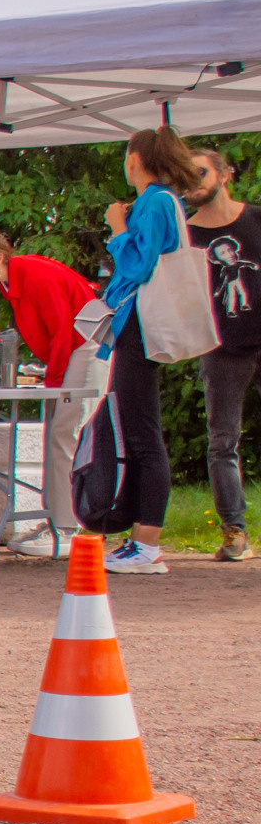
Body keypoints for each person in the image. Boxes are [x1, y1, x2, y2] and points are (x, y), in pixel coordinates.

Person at [0, 229, 103, 558]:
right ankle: (55, 520)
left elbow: (64, 329)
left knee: (63, 435)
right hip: (75, 349)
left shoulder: (33, 274)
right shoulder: (13, 281)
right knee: (57, 435)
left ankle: (65, 528)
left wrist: (53, 380)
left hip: (86, 347)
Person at [95, 125, 203, 574]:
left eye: (126, 155)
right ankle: (139, 539)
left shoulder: (156, 201)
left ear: (136, 159)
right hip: (134, 326)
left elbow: (139, 265)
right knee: (138, 430)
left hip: (140, 325)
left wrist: (118, 228)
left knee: (142, 433)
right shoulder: (159, 201)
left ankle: (148, 545)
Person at [188, 146, 260, 562]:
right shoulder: (187, 235)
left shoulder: (257, 219)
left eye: (199, 172)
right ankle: (236, 533)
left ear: (224, 174)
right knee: (222, 442)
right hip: (221, 347)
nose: (191, 182)